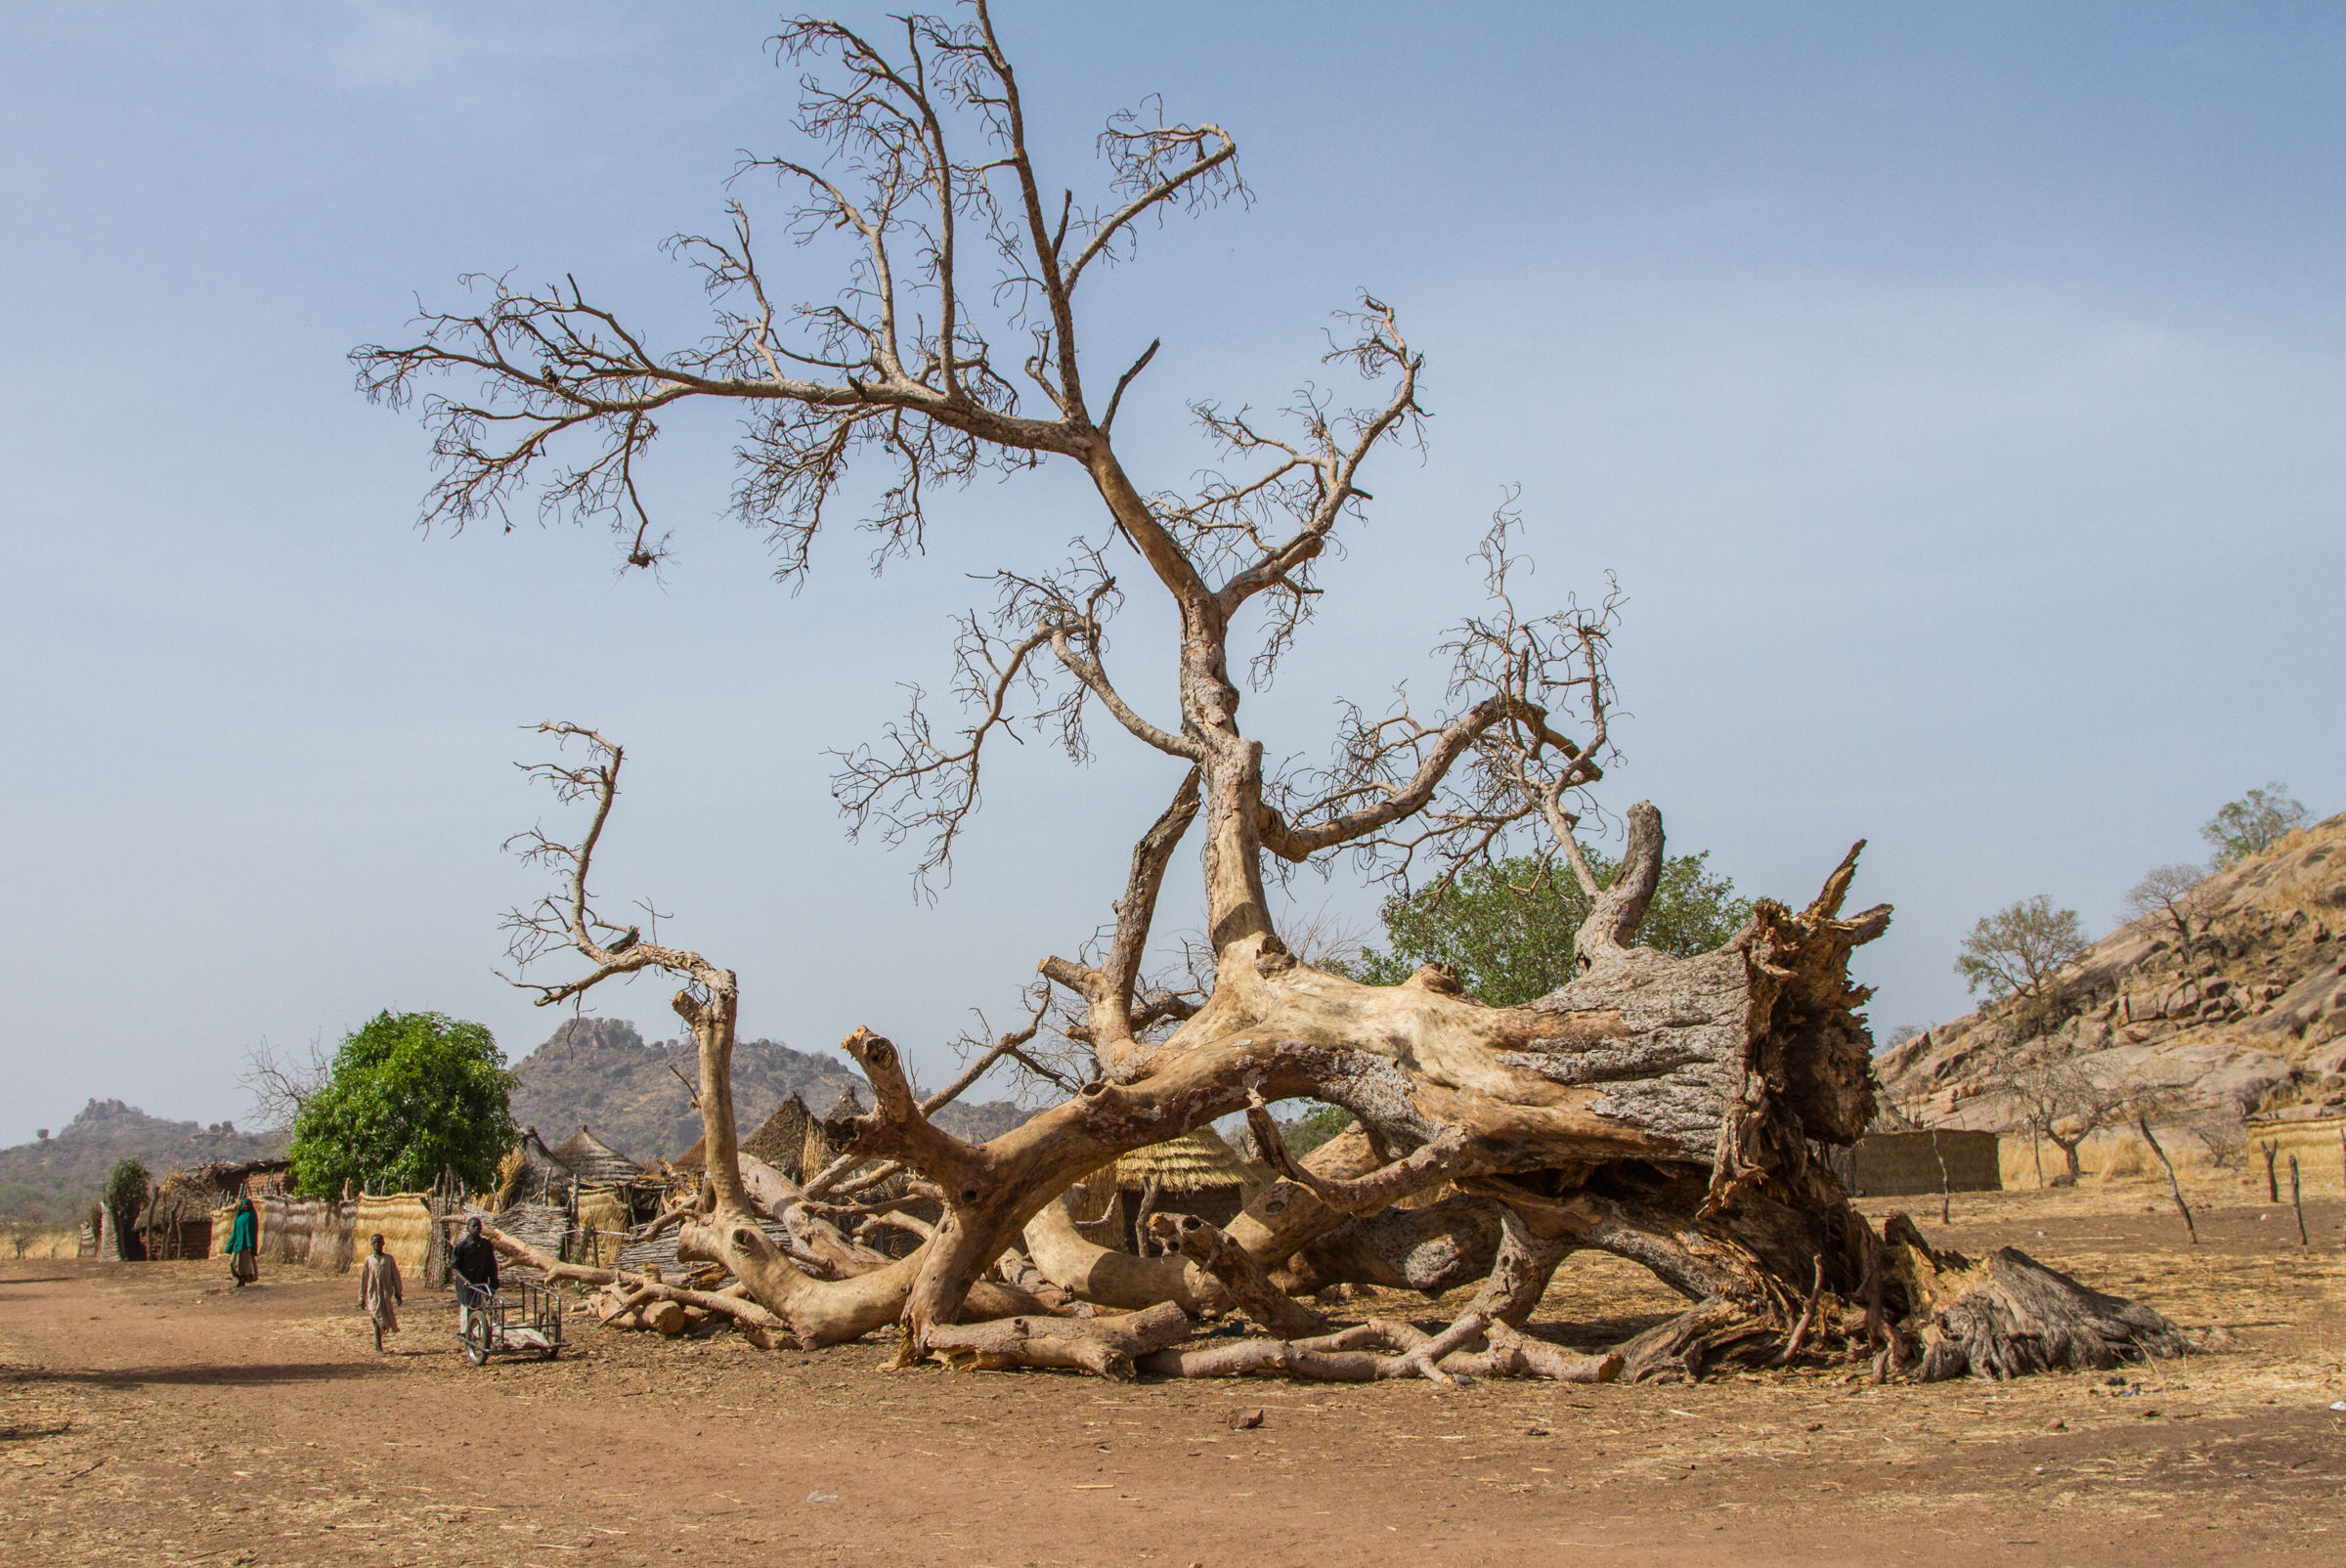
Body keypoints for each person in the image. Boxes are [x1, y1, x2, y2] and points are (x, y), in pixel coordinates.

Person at [449, 1216, 498, 1343]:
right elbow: (454, 1267)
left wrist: (493, 1280)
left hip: (480, 1282)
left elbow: (491, 1264)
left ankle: (479, 1333)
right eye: (473, 1226)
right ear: (468, 1228)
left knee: (481, 1307)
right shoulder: (461, 1247)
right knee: (466, 1308)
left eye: (478, 1226)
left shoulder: (486, 1245)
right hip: (465, 1284)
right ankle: (467, 1335)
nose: (476, 1228)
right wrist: (464, 1279)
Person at [358, 1232, 403, 1353]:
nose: (377, 1244)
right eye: (374, 1242)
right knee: (375, 1317)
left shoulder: (388, 1259)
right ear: (371, 1244)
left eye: (379, 1242)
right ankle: (378, 1346)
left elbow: (395, 1276)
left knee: (385, 1319)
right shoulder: (369, 1261)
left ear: (383, 1243)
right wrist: (361, 1298)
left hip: (386, 1295)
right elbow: (364, 1280)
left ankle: (379, 1342)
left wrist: (398, 1293)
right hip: (373, 1295)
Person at [224, 1196, 259, 1287]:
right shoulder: (239, 1216)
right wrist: (231, 1244)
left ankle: (242, 1280)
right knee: (232, 1263)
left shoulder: (250, 1216)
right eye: (243, 1205)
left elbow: (251, 1231)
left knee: (243, 1265)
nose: (245, 1206)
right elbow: (235, 1231)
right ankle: (239, 1277)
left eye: (247, 1205)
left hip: (246, 1244)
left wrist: (250, 1245)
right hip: (238, 1243)